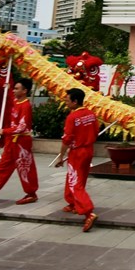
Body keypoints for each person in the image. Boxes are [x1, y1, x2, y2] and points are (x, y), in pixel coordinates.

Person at [0, 78, 39, 204]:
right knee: (3, 167)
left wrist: (5, 131)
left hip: (21, 142)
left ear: (25, 91)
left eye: (16, 88)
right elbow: (6, 102)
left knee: (25, 168)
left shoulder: (26, 106)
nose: (14, 90)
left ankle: (31, 193)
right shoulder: (14, 102)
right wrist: (4, 89)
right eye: (14, 88)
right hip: (11, 141)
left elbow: (22, 127)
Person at [54, 88, 99, 232]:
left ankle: (88, 212)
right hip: (88, 150)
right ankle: (73, 203)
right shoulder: (91, 114)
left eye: (67, 100)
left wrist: (61, 156)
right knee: (79, 178)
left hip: (77, 152)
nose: (66, 103)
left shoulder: (72, 117)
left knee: (75, 183)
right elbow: (96, 131)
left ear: (75, 101)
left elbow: (66, 139)